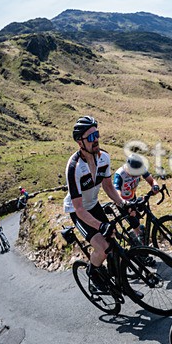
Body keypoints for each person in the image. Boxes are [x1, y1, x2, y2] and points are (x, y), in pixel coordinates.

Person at [63, 116, 132, 292]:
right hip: (78, 211)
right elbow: (78, 208)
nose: (96, 141)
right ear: (80, 142)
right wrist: (100, 225)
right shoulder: (74, 168)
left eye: (97, 135)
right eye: (91, 138)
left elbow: (108, 187)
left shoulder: (104, 158)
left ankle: (121, 284)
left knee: (113, 242)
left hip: (93, 205)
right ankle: (93, 273)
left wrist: (124, 204)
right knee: (102, 248)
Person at [113, 154, 160, 239]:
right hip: (122, 202)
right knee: (135, 223)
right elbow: (116, 193)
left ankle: (136, 235)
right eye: (133, 173)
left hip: (132, 197)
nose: (135, 176)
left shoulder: (140, 169)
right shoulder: (120, 174)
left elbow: (151, 180)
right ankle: (139, 242)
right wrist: (125, 204)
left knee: (137, 218)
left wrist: (155, 186)